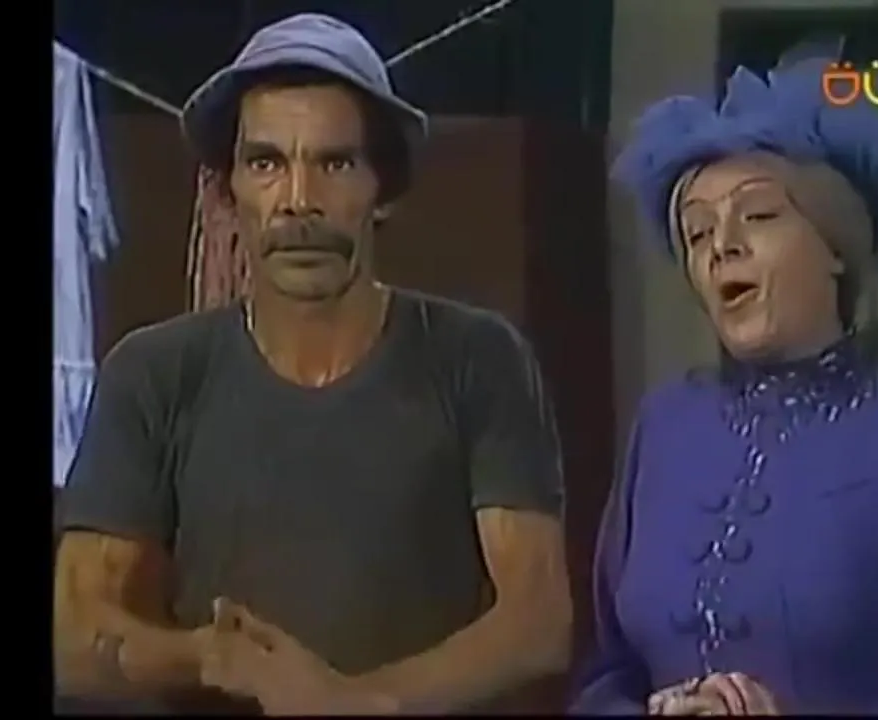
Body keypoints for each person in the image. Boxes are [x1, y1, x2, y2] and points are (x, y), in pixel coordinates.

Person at [53, 14, 572, 715]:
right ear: (228, 191)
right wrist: (212, 656)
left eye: (335, 163)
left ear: (383, 190)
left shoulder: (478, 358)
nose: (299, 200)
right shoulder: (154, 374)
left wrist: (357, 704)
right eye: (267, 163)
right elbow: (74, 637)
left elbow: (538, 622)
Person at [569, 41, 878, 715]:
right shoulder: (663, 429)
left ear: (836, 249)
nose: (722, 246)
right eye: (697, 233)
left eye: (758, 215)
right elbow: (605, 675)